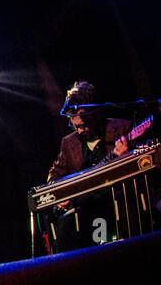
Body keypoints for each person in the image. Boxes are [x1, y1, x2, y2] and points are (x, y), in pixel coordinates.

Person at [44, 80, 131, 251]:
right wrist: (60, 196)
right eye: (76, 126)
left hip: (116, 203)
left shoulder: (121, 128)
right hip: (82, 212)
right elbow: (54, 176)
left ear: (95, 114)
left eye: (84, 125)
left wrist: (124, 156)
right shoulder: (69, 143)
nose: (81, 131)